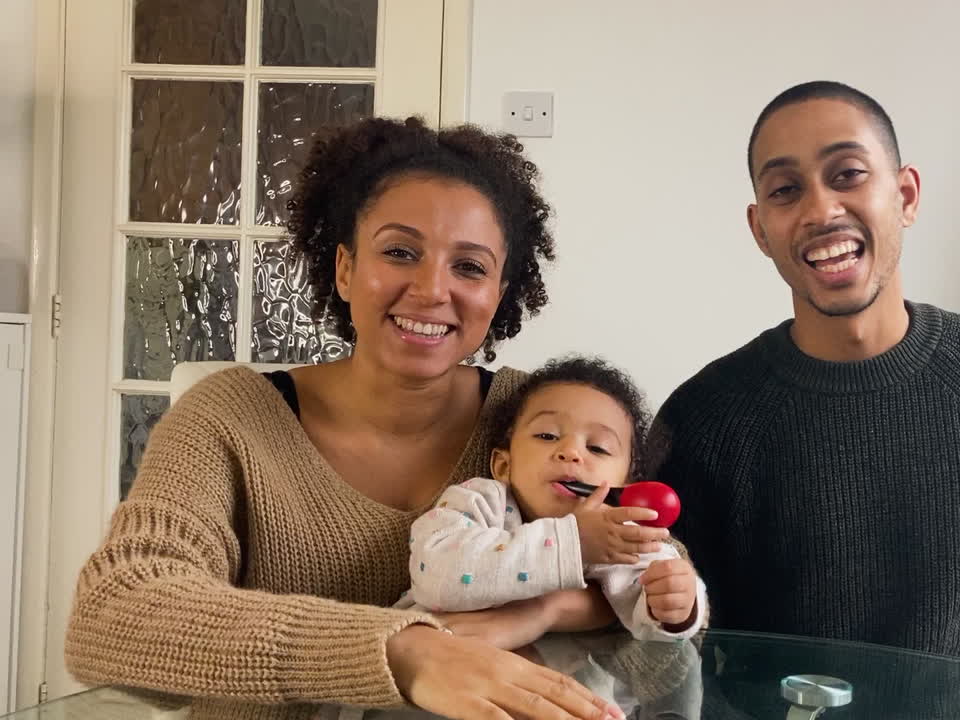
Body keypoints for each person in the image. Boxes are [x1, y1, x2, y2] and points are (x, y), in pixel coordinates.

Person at [64, 116, 627, 720]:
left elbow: (656, 582)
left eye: (469, 267)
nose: (433, 289)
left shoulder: (542, 419)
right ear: (344, 268)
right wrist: (403, 652)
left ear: (498, 292)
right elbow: (113, 612)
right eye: (400, 252)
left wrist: (544, 610)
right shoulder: (228, 417)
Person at [653, 81, 960, 686]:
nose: (821, 211)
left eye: (847, 174)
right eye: (786, 190)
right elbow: (668, 638)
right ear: (760, 228)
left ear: (905, 194)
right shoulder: (701, 420)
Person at [399, 356, 707, 642]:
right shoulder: (479, 501)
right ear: (504, 465)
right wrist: (571, 543)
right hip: (436, 674)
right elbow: (434, 575)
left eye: (597, 448)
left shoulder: (615, 533)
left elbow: (651, 610)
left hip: (557, 691)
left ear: (623, 486)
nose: (571, 452)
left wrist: (676, 605)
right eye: (547, 436)